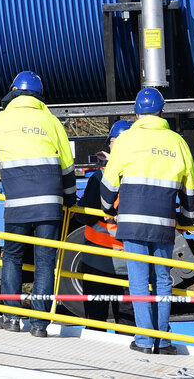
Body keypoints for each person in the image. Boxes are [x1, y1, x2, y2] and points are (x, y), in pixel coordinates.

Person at [0, 71, 76, 338]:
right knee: (45, 262)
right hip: (50, 204)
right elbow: (68, 166)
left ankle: (11, 318)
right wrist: (70, 199)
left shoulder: (1, 121)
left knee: (12, 258)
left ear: (13, 91)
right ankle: (39, 325)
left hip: (18, 205)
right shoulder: (51, 121)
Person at [100, 87, 194, 355]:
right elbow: (190, 187)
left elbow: (109, 183)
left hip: (131, 223)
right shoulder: (177, 142)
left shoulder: (126, 141)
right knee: (163, 279)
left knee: (139, 280)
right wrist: (187, 219)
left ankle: (144, 340)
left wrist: (107, 209)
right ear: (162, 113)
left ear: (136, 114)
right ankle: (162, 340)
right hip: (163, 223)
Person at [71, 119, 134, 326]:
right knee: (127, 321)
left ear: (113, 144)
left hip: (97, 260)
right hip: (130, 261)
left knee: (95, 321)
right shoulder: (141, 176)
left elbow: (84, 216)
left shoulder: (100, 177)